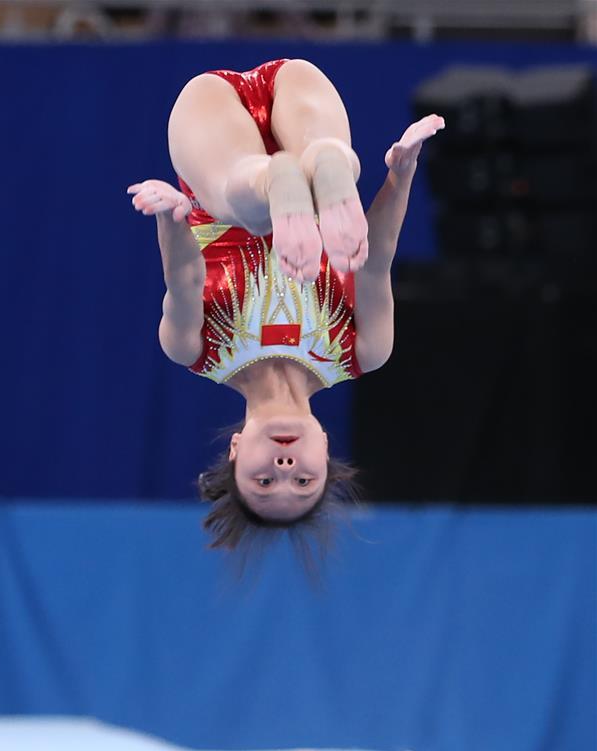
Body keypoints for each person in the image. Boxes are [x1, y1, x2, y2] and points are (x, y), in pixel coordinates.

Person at [127, 58, 444, 569]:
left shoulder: (194, 350)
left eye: (263, 480)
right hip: (295, 91)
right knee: (327, 158)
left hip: (211, 134)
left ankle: (281, 184)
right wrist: (401, 173)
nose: (283, 465)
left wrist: (170, 216)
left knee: (238, 198)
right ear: (325, 449)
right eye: (303, 479)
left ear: (235, 450)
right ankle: (322, 169)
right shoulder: (363, 350)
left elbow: (183, 278)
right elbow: (377, 257)